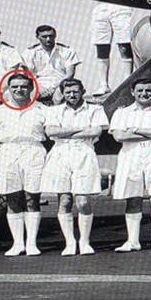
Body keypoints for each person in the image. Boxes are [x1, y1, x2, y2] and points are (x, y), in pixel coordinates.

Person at [40, 79, 109, 256]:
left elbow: (95, 132)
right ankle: (70, 242)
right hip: (60, 154)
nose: (72, 95)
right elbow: (51, 132)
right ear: (63, 93)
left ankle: (84, 242)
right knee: (64, 200)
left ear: (83, 91)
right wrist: (81, 130)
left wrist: (65, 131)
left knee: (83, 201)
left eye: (76, 91)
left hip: (85, 153)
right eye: (68, 92)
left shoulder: (95, 109)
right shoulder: (53, 110)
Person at [109, 79, 151, 252]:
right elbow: (119, 136)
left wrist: (134, 129)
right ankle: (133, 241)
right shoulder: (122, 113)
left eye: (148, 90)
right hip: (131, 156)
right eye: (140, 90)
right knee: (132, 198)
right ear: (133, 92)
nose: (144, 94)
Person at [0, 72, 49, 256]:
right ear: (9, 89)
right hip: (7, 151)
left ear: (31, 88)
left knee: (32, 197)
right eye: (15, 87)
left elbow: (50, 134)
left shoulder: (42, 109)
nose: (19, 90)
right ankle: (18, 243)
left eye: (23, 86)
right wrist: (8, 148)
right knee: (12, 198)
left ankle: (32, 243)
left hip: (34, 150)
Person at [89, 0, 143, 94]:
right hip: (101, 9)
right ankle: (103, 84)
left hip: (122, 9)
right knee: (102, 45)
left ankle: (127, 81)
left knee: (124, 43)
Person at [23, 25, 81, 104]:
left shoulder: (67, 51)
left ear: (55, 35)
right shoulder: (29, 52)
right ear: (37, 37)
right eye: (44, 37)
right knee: (30, 97)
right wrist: (38, 87)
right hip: (38, 84)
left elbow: (70, 74)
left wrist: (56, 87)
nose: (48, 39)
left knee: (58, 100)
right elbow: (28, 74)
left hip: (60, 83)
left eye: (51, 36)